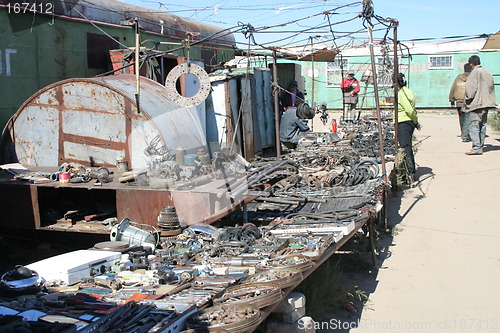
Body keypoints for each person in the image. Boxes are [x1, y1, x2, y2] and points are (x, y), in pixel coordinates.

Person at [463, 55, 496, 155]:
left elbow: (470, 90)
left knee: (473, 125)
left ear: (471, 64)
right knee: (483, 125)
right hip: (487, 103)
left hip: (477, 104)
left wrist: (467, 100)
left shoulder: (475, 73)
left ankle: (476, 147)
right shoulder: (488, 73)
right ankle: (480, 146)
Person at [396, 73, 421, 180]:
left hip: (403, 122)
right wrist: (415, 122)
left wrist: (416, 122)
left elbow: (409, 110)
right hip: (408, 122)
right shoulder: (409, 91)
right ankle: (408, 171)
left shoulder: (402, 93)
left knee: (405, 148)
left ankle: (410, 172)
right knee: (407, 146)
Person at [449, 63, 472, 142]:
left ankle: (463, 132)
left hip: (458, 102)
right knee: (467, 118)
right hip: (468, 102)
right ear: (471, 69)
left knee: (461, 118)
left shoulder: (458, 78)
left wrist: (451, 100)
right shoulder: (472, 78)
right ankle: (465, 136)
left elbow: (453, 88)